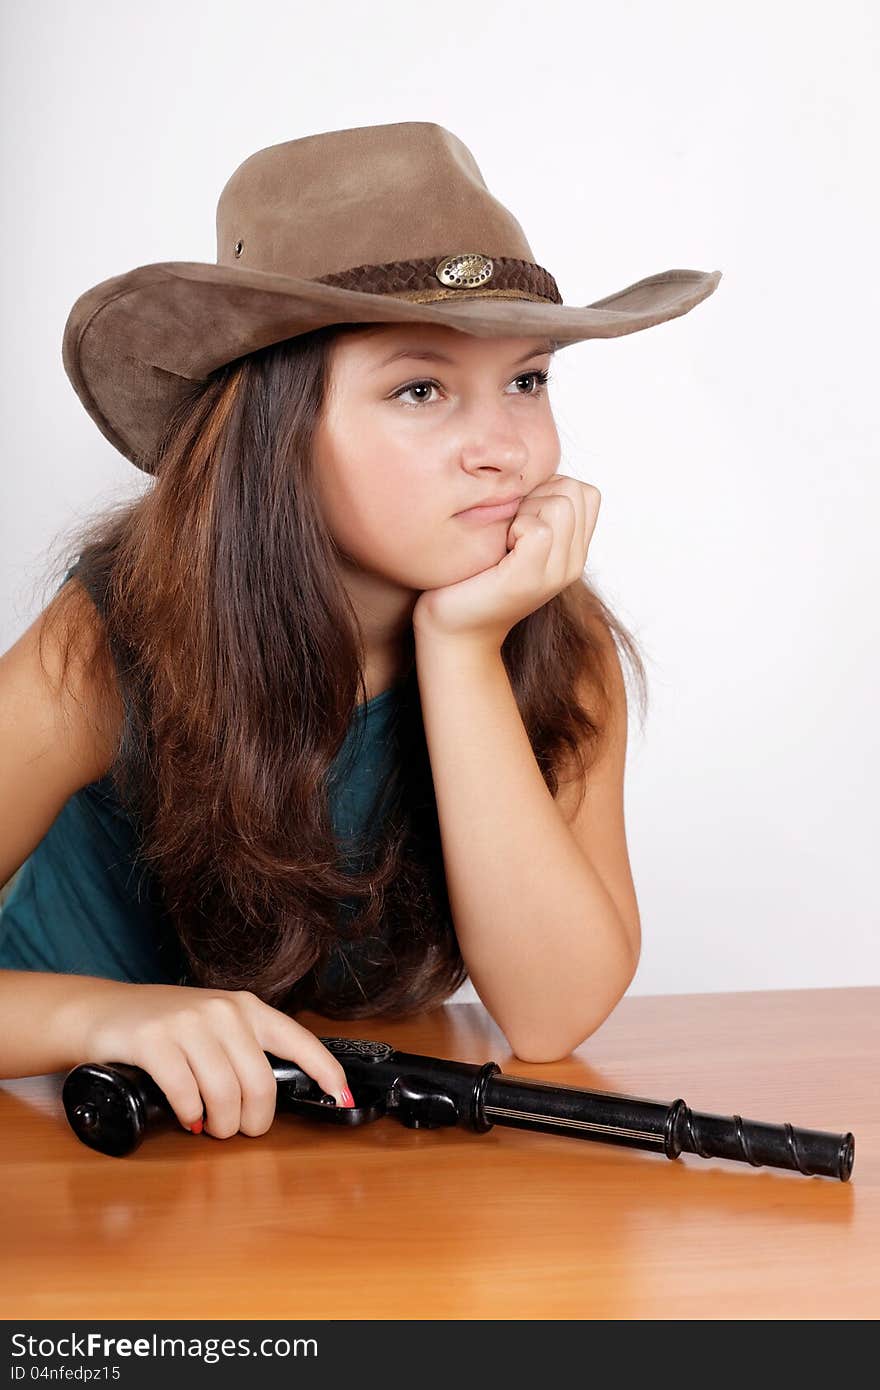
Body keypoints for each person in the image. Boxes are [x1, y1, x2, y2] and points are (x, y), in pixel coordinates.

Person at [0, 120, 721, 1139]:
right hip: (61, 1127)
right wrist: (99, 1014)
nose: (503, 449)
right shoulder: (116, 636)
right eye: (420, 389)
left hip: (309, 1148)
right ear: (274, 434)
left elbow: (551, 1014)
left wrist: (464, 649)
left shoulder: (550, 641)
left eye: (527, 379)